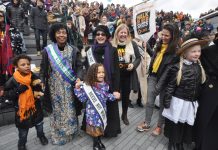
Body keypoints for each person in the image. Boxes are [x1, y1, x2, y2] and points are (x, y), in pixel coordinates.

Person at [39, 23, 83, 145]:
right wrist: (41, 81)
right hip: (54, 87)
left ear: (67, 34)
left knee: (70, 109)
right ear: (54, 34)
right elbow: (43, 68)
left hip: (70, 86)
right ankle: (58, 135)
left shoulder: (74, 49)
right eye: (58, 32)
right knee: (56, 112)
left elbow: (79, 66)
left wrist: (79, 78)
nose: (61, 35)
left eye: (64, 32)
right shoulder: (48, 51)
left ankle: (72, 132)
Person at [161, 37, 207, 149]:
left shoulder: (198, 67)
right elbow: (171, 86)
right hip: (179, 102)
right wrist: (167, 100)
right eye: (193, 51)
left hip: (190, 103)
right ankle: (173, 142)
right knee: (175, 124)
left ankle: (180, 142)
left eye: (199, 51)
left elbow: (199, 85)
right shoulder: (177, 68)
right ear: (185, 53)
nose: (197, 54)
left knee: (184, 124)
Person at [137, 23, 180, 136]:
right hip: (153, 76)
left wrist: (158, 87)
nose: (163, 37)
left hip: (165, 81)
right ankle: (147, 123)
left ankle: (159, 126)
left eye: (167, 35)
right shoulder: (159, 44)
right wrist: (148, 47)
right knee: (150, 102)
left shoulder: (176, 51)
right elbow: (154, 57)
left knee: (162, 104)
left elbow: (169, 71)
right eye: (162, 34)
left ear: (173, 36)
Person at [2, 54, 48, 150]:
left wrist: (38, 90)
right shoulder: (13, 80)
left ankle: (41, 136)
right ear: (16, 66)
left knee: (39, 126)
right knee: (23, 132)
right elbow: (6, 94)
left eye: (28, 64)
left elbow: (40, 88)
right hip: (22, 111)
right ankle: (21, 144)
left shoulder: (33, 76)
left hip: (36, 109)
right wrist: (18, 90)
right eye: (23, 64)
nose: (27, 66)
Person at [82, 25, 121, 137]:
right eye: (98, 34)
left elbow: (117, 72)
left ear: (107, 36)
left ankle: (108, 131)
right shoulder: (89, 50)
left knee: (110, 108)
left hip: (109, 85)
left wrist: (117, 89)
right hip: (94, 87)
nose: (100, 36)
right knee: (94, 108)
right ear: (95, 36)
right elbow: (87, 70)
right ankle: (94, 131)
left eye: (103, 34)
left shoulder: (113, 50)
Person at [74, 63, 120, 150]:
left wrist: (114, 96)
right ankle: (95, 144)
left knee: (100, 128)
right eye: (99, 72)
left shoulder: (105, 85)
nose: (101, 74)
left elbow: (106, 96)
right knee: (95, 130)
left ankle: (99, 141)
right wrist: (77, 89)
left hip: (101, 112)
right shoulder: (88, 86)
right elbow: (82, 98)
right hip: (92, 114)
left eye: (103, 72)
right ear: (93, 73)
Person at [111, 24, 141, 125]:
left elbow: (138, 58)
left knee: (125, 96)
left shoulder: (132, 43)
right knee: (114, 95)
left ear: (127, 34)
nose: (123, 34)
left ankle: (124, 115)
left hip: (127, 73)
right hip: (115, 74)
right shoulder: (112, 44)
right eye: (121, 32)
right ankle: (114, 116)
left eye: (125, 32)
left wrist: (133, 65)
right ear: (117, 33)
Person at [194, 33, 218, 150]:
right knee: (205, 120)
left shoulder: (208, 51)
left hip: (209, 91)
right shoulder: (207, 51)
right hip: (209, 90)